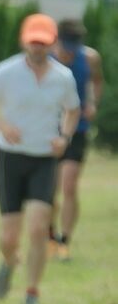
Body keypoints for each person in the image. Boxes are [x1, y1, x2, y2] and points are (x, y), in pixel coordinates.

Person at [0, 13, 80, 304]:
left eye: (43, 43)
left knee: (37, 228)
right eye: (33, 42)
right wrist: (3, 126)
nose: (37, 48)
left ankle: (32, 291)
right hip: (11, 159)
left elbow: (73, 110)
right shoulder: (5, 71)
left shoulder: (62, 77)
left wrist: (65, 136)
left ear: (52, 43)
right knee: (9, 237)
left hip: (44, 159)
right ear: (24, 41)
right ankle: (9, 264)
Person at [49, 18, 104, 261]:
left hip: (78, 128)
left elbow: (97, 81)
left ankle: (65, 239)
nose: (70, 49)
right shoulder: (47, 57)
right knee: (49, 190)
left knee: (69, 186)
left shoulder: (90, 58)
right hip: (48, 129)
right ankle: (49, 236)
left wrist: (93, 103)